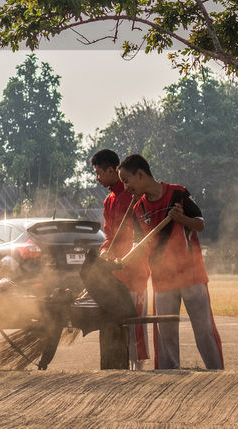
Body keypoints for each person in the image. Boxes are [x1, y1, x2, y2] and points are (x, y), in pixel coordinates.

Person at [118, 153, 223, 370]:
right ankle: (168, 377)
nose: (126, 187)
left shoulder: (178, 193)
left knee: (204, 330)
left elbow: (200, 225)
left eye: (126, 181)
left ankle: (217, 373)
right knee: (165, 335)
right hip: (162, 279)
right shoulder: (139, 208)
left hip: (191, 275)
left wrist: (181, 218)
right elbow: (141, 244)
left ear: (140, 174)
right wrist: (122, 260)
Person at [90, 148, 150, 369]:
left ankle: (139, 369)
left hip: (135, 271)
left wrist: (126, 256)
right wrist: (105, 251)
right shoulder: (109, 201)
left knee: (136, 322)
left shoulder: (134, 197)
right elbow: (109, 236)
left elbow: (140, 234)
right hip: (115, 274)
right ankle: (121, 367)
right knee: (117, 322)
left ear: (111, 170)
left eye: (98, 173)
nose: (97, 178)